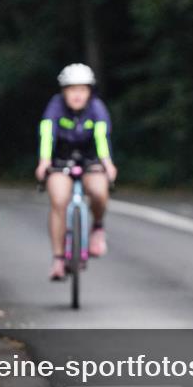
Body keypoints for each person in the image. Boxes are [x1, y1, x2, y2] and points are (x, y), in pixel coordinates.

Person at [34, 63, 118, 280]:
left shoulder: (97, 108)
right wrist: (44, 162)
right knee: (59, 200)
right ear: (64, 91)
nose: (77, 95)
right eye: (72, 89)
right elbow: (47, 132)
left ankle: (97, 228)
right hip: (61, 159)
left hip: (91, 159)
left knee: (99, 192)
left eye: (82, 89)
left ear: (89, 91)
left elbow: (101, 136)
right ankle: (59, 259)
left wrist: (107, 163)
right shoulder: (55, 106)